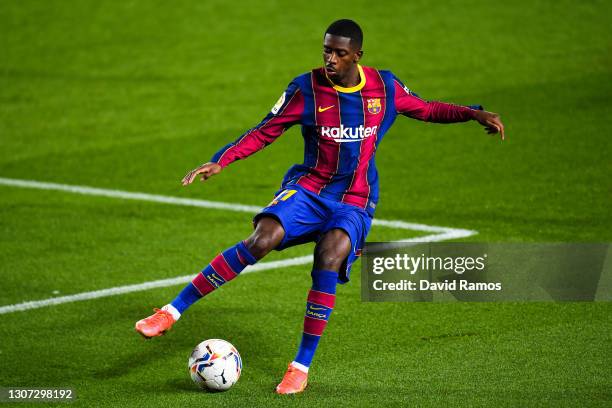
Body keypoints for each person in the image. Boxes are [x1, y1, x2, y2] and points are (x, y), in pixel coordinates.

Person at [135, 19, 505, 394]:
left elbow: (426, 108)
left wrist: (472, 112)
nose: (330, 58)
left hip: (355, 200)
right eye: (326, 50)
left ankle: (299, 367)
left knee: (329, 258)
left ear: (357, 56)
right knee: (262, 239)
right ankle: (170, 312)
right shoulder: (306, 88)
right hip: (309, 188)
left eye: (340, 53)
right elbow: (267, 129)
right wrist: (222, 159)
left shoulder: (384, 87)